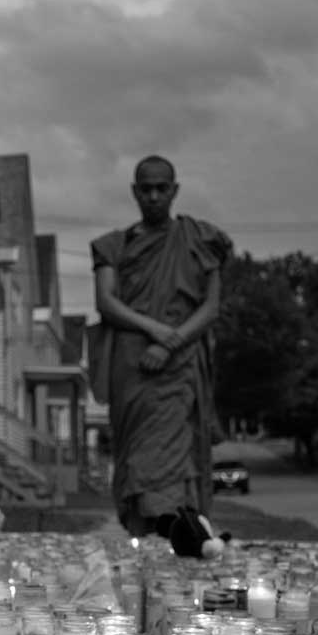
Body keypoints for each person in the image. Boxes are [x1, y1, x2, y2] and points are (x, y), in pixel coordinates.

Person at [91, 156, 234, 539]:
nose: (154, 196)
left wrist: (171, 344)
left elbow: (211, 307)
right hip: (133, 365)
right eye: (146, 188)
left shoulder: (201, 240)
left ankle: (181, 532)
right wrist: (154, 329)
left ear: (175, 190)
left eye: (162, 188)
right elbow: (106, 302)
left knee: (179, 448)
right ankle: (146, 531)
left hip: (182, 364)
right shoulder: (114, 247)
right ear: (134, 192)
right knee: (138, 452)